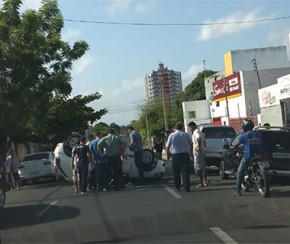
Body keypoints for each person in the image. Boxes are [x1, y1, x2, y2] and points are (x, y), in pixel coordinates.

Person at [230, 118, 262, 196]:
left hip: (249, 156)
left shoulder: (244, 135)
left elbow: (236, 144)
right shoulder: (258, 134)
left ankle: (238, 190)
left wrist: (232, 148)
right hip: (259, 155)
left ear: (244, 127)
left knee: (240, 172)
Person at [166, 122, 193, 192]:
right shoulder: (186, 134)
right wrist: (191, 153)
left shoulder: (172, 135)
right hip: (185, 154)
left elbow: (167, 146)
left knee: (176, 172)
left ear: (175, 128)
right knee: (185, 172)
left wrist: (168, 155)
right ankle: (187, 187)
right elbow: (191, 144)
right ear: (182, 127)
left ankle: (177, 186)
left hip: (175, 155)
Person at [188, 121, 207, 188]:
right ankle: (204, 181)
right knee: (202, 167)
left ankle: (201, 182)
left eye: (190, 127)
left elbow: (198, 138)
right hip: (201, 151)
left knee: (198, 168)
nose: (190, 129)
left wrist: (198, 147)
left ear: (193, 126)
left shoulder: (196, 132)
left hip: (198, 152)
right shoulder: (198, 131)